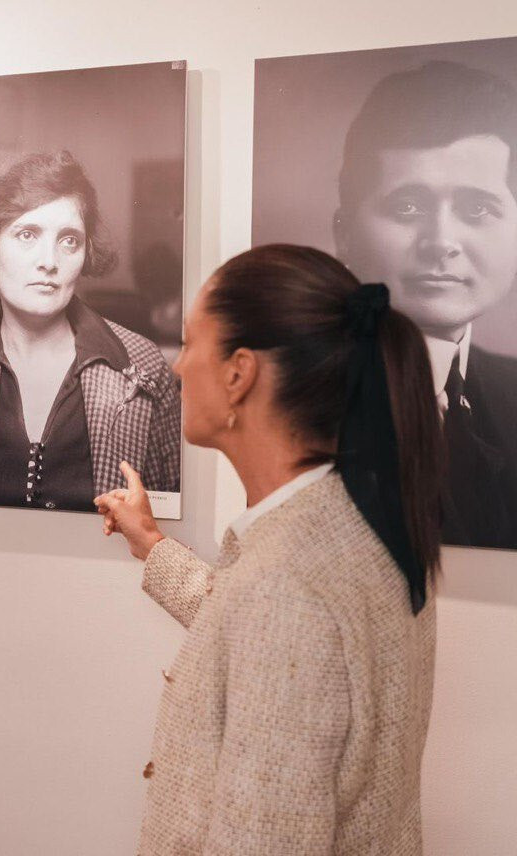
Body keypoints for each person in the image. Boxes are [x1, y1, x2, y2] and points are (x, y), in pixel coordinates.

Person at [96, 244, 443, 854]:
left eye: (191, 341)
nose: (177, 367)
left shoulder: (286, 588)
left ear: (239, 373)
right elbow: (254, 636)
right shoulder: (357, 524)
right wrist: (151, 543)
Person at [0, 150, 180, 510]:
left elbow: (167, 520)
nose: (48, 261)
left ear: (85, 254)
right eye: (27, 234)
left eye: (69, 240)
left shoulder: (144, 369)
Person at [332, 60, 517, 548]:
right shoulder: (304, 399)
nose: (441, 242)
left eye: (477, 209)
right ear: (343, 234)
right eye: (407, 207)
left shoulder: (509, 389)